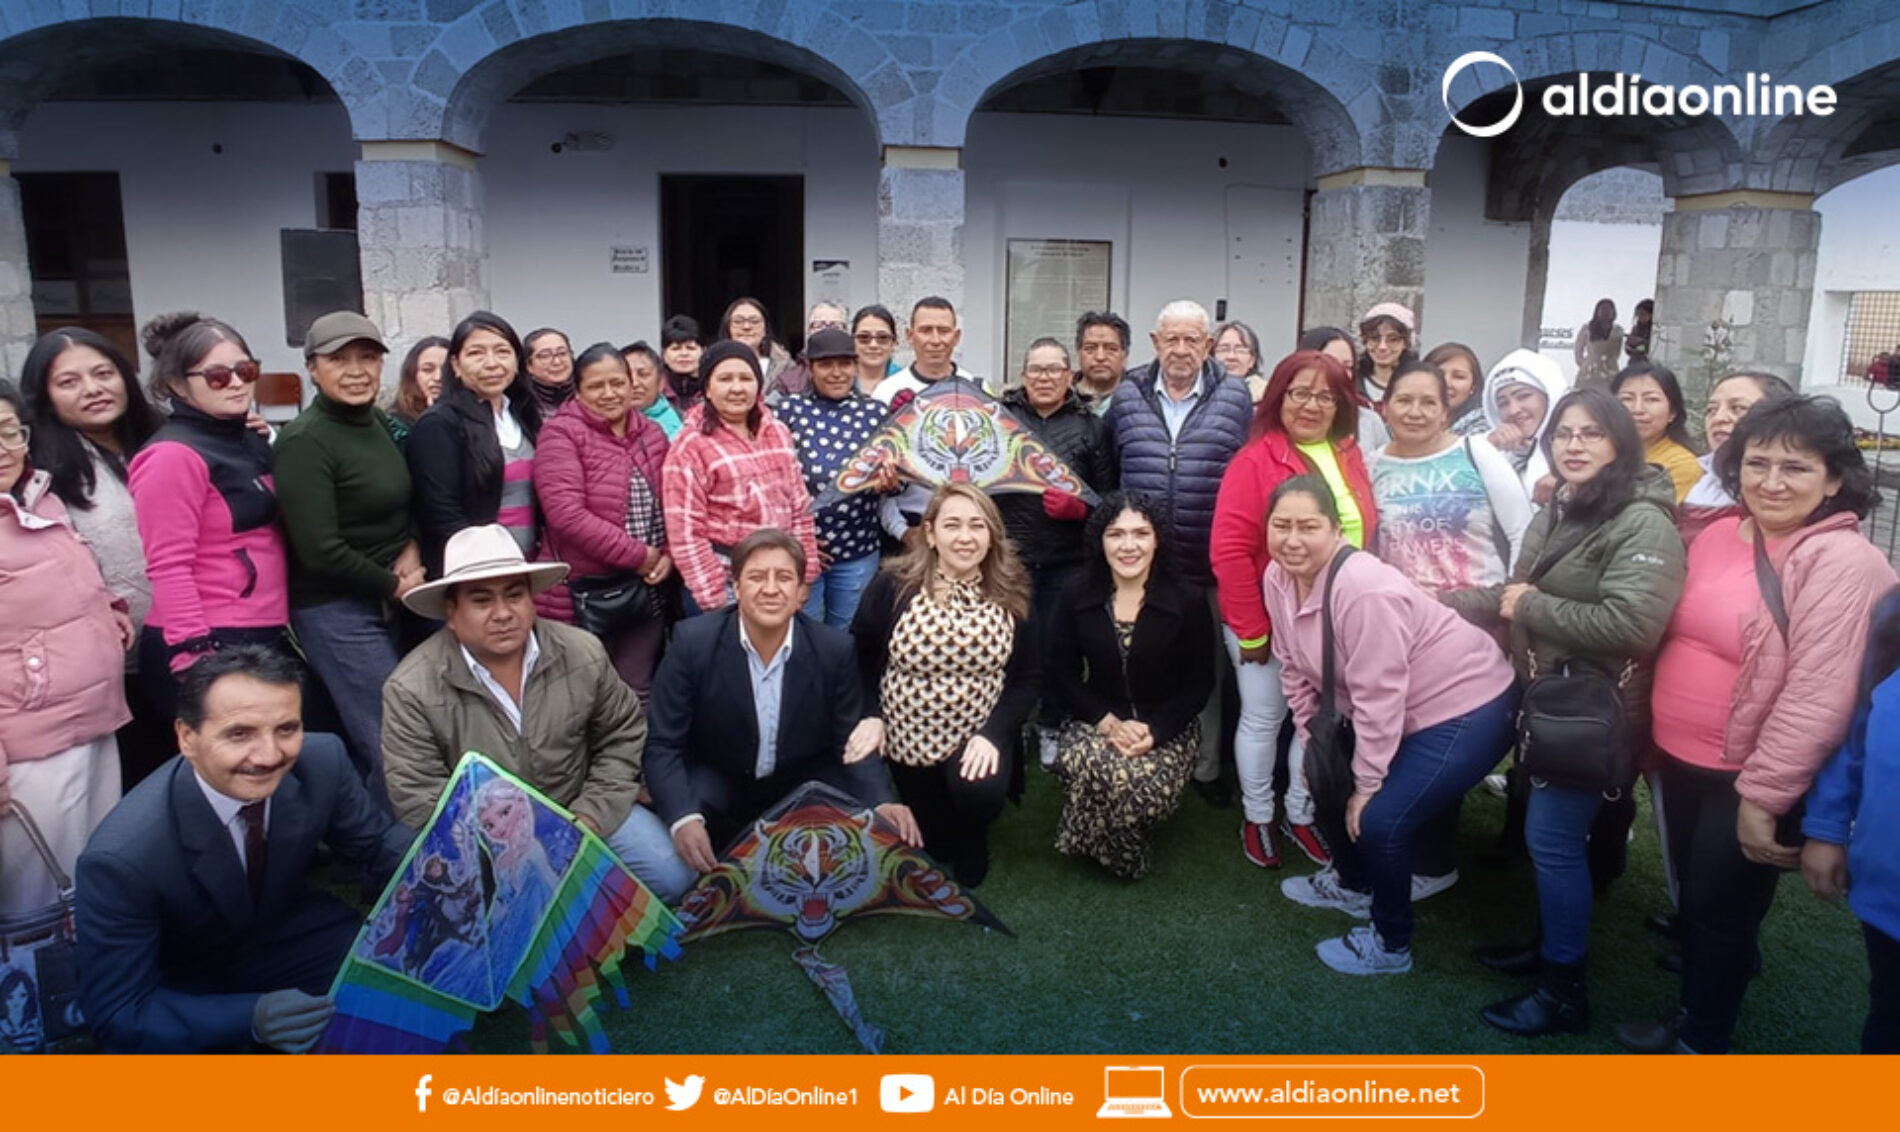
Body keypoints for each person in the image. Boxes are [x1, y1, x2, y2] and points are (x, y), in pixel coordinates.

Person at [1619, 396, 1895, 1056]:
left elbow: (1819, 695)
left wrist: (1764, 796)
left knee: (1721, 909)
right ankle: (1702, 996)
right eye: (1757, 463)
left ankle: (1702, 1037)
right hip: (1679, 755)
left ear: (1834, 479)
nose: (1771, 482)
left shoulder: (1842, 562)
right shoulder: (1721, 533)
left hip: (1747, 771)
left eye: (1795, 468)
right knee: (1694, 895)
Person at [1444, 389, 1685, 1037]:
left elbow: (1633, 624)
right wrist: (1441, 600)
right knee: (1550, 841)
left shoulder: (1643, 522)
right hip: (1551, 702)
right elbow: (1517, 590)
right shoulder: (1564, 503)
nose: (1573, 445)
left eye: (1591, 434)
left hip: (1590, 714)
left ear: (1621, 444)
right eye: (1564, 434)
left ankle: (1563, 991)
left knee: (1552, 844)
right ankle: (1547, 946)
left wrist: (1529, 609)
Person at [74, 646, 412, 1053]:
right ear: (186, 737)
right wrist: (250, 1017)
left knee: (399, 1004)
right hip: (184, 980)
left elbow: (377, 845)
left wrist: (456, 870)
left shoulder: (323, 760)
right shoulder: (121, 859)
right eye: (239, 734)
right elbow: (117, 1009)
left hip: (285, 935)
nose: (269, 755)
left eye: (286, 729)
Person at [1269, 477, 1519, 975]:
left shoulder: (1365, 589)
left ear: (1337, 530)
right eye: (1281, 525)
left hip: (1469, 704)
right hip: (1400, 705)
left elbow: (1379, 695)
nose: (1292, 540)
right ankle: (1351, 883)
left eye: (1308, 527)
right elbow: (1293, 666)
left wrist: (1367, 785)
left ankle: (1390, 944)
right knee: (1324, 775)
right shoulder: (1276, 577)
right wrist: (1312, 744)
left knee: (1379, 820)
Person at [381, 524, 694, 901]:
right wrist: (505, 843)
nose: (502, 613)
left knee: (672, 875)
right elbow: (418, 792)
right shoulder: (412, 687)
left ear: (531, 600)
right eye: (481, 601)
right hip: (485, 839)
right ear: (451, 611)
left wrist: (590, 814)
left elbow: (622, 735)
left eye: (515, 595)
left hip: (579, 807)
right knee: (500, 908)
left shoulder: (581, 652)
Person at [645, 530, 919, 878]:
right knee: (692, 811)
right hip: (720, 774)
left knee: (859, 824)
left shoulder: (834, 650)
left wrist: (882, 801)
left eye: (784, 577)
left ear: (802, 592)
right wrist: (683, 817)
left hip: (800, 776)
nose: (771, 589)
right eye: (757, 577)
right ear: (736, 587)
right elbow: (663, 743)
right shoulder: (692, 643)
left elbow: (850, 742)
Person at [1211, 350, 1376, 868]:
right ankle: (1258, 815)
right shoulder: (1254, 461)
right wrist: (1252, 630)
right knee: (1264, 717)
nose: (1311, 405)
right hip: (1268, 620)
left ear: (1341, 404)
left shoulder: (1348, 453)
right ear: (1279, 398)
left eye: (1325, 396)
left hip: (1336, 621)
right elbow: (1230, 551)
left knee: (1319, 722)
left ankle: (1301, 813)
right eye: (1299, 393)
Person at [847, 484, 1038, 886]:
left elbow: (1028, 676)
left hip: (977, 737)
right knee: (935, 844)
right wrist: (871, 715)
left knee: (978, 798)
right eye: (953, 525)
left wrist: (994, 734)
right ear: (931, 534)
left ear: (992, 535)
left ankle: (974, 830)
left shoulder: (1013, 588)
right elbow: (859, 656)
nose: (965, 537)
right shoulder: (892, 585)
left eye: (977, 526)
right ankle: (938, 815)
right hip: (907, 738)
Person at [1106, 300, 1254, 807]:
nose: (1182, 349)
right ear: (1155, 342)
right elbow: (1111, 469)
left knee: (1205, 669)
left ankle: (1206, 767)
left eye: (1193, 339)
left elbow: (1244, 472)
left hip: (1207, 560)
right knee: (1140, 660)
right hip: (1141, 562)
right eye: (1172, 339)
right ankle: (1144, 747)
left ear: (1208, 345)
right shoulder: (1127, 395)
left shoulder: (1234, 396)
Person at [275, 312, 424, 800]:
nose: (356, 371)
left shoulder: (376, 421)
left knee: (408, 723)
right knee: (390, 736)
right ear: (312, 369)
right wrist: (394, 585)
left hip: (389, 594)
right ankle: (394, 841)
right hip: (336, 608)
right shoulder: (305, 440)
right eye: (339, 360)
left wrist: (411, 545)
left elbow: (403, 499)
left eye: (368, 358)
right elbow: (319, 550)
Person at [0, 379, 132, 918]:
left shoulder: (40, 499)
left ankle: (101, 968)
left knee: (94, 873)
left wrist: (108, 613)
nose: (3, 449)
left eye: (9, 431)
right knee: (39, 900)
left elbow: (66, 583)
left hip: (91, 720)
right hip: (29, 745)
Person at [19, 327, 168, 785]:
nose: (92, 389)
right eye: (69, 382)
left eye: (103, 373)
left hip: (187, 644)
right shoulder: (37, 470)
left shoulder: (166, 438)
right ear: (44, 396)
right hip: (111, 668)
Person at [127, 313, 290, 722]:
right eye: (217, 376)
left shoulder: (247, 438)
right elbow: (168, 563)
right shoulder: (171, 456)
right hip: (210, 637)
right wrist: (193, 652)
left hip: (263, 627)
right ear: (176, 385)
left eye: (245, 370)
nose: (236, 383)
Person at [1047, 493, 1215, 878]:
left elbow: (1199, 683)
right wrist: (1106, 722)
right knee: (1088, 764)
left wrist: (1154, 732)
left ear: (1157, 540)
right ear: (1100, 541)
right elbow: (1061, 672)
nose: (1128, 546)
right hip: (1098, 717)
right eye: (1115, 534)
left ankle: (1084, 830)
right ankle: (1122, 853)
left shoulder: (1188, 600)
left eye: (1141, 533)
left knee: (1145, 793)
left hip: (1165, 724)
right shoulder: (1076, 593)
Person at [997, 337, 1118, 766]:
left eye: (1053, 370)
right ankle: (1009, 725)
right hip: (1010, 557)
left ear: (1070, 376)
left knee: (1058, 649)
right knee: (1007, 645)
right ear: (1023, 375)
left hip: (1067, 560)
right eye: (1036, 369)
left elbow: (1109, 499)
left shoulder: (1092, 427)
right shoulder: (1003, 420)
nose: (1044, 378)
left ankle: (1051, 722)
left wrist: (1081, 509)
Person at [533, 343, 674, 700]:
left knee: (637, 690)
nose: (609, 393)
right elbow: (566, 514)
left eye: (617, 383)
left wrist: (668, 553)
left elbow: (674, 501)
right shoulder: (561, 433)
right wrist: (640, 556)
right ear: (578, 391)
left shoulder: (652, 433)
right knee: (582, 695)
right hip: (584, 592)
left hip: (645, 590)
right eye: (596, 386)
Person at [1802, 588, 1900, 1053]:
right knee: (1888, 1016)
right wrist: (1827, 827)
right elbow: (1858, 725)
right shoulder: (1893, 611)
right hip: (1887, 892)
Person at [661, 341, 819, 614]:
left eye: (746, 378)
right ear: (707, 388)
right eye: (725, 379)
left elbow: (800, 509)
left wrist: (805, 574)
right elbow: (685, 532)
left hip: (779, 575)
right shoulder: (690, 445)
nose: (737, 388)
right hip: (726, 581)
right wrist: (715, 600)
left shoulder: (777, 431)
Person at [1374, 361, 1532, 594]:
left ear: (1445, 414)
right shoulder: (1371, 466)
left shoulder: (1475, 452)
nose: (1415, 412)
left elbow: (1522, 531)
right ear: (1385, 408)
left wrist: (1512, 596)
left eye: (1429, 403)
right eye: (1404, 401)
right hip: (1402, 608)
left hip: (1480, 606)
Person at [405, 311, 544, 576]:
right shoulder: (439, 424)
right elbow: (441, 513)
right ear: (455, 365)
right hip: (475, 571)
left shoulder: (523, 415)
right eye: (476, 353)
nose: (491, 363)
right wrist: (488, 565)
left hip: (529, 566)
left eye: (502, 352)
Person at [776, 327, 891, 628]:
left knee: (845, 636)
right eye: (826, 364)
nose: (837, 373)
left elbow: (896, 477)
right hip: (799, 549)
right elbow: (772, 482)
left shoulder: (875, 413)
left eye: (845, 363)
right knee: (802, 632)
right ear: (810, 368)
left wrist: (890, 483)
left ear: (855, 366)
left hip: (857, 549)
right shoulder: (788, 411)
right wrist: (800, 540)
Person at [1679, 371, 1794, 542]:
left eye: (1738, 408)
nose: (1718, 418)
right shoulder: (1688, 472)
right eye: (1711, 410)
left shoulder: (1790, 488)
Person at [1479, 348, 1570, 503]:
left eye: (1523, 396)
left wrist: (1570, 483)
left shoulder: (1579, 444)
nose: (1513, 410)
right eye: (1503, 403)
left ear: (1550, 396)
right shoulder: (1489, 447)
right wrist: (1485, 451)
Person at [1614, 362, 1702, 503]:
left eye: (1651, 399)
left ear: (1672, 412)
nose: (1637, 409)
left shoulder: (1683, 465)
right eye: (1627, 399)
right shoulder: (1601, 454)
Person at [1302, 325, 1388, 452]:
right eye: (1330, 362)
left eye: (1347, 367)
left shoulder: (1369, 420)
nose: (1339, 372)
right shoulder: (1291, 416)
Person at [764, 300, 849, 403]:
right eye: (819, 325)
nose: (826, 330)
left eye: (835, 326)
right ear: (808, 331)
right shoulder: (789, 379)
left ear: (846, 331)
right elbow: (768, 409)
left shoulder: (856, 371)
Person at [721, 298, 792, 394]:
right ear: (728, 327)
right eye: (738, 321)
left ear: (765, 329)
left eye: (754, 321)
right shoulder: (714, 365)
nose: (746, 327)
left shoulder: (785, 366)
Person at [1356, 303, 1418, 411]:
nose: (1382, 347)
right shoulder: (1351, 384)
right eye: (1374, 338)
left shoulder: (1418, 383)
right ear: (1364, 341)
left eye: (1393, 339)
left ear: (1406, 343)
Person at [850, 304, 914, 405]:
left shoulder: (907, 384)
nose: (873, 345)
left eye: (883, 338)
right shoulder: (838, 380)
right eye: (864, 337)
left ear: (894, 342)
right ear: (852, 341)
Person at [1422, 342, 1488, 437]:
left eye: (1459, 377)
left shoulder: (1481, 428)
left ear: (1473, 386)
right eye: (1438, 373)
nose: (1446, 383)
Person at [622, 340, 683, 439]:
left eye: (643, 374)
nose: (634, 383)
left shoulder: (682, 423)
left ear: (661, 382)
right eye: (627, 375)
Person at [1076, 310, 1132, 415]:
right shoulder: (1061, 399)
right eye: (1090, 348)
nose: (1100, 357)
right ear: (1079, 353)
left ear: (1125, 354)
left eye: (1111, 349)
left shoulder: (1142, 401)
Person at [391, 335, 448, 431]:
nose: (438, 377)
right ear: (412, 374)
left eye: (446, 370)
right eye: (428, 370)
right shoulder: (394, 424)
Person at [522, 327, 576, 414]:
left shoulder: (589, 397)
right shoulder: (520, 404)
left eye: (562, 353)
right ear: (529, 365)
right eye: (545, 356)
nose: (557, 362)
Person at [1574, 299, 1625, 388]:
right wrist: (1583, 364)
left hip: (1610, 369)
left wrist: (1610, 362)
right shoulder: (1587, 328)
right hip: (1590, 370)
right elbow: (1578, 349)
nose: (1606, 312)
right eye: (1603, 309)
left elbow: (1617, 352)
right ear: (1597, 311)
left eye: (1609, 309)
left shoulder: (1618, 330)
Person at [659, 315, 705, 412]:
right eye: (676, 348)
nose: (684, 354)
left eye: (691, 348)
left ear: (703, 351)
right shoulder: (655, 392)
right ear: (663, 354)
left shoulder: (713, 391)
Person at [1214, 321, 1267, 402]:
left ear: (1252, 360)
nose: (1231, 357)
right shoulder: (1199, 394)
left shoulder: (1267, 397)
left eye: (1240, 350)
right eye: (1224, 349)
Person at [1625, 298, 1654, 364]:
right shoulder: (1636, 329)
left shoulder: (1657, 331)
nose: (1639, 317)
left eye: (1642, 314)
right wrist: (1630, 343)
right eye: (1637, 314)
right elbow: (1628, 350)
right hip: (1635, 363)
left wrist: (1642, 342)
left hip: (1650, 364)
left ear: (1651, 315)